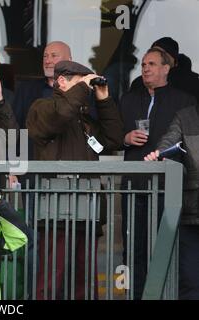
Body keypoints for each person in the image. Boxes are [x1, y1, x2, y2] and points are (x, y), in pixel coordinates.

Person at [26, 61, 124, 299]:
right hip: (54, 212)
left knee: (84, 282)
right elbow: (61, 115)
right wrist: (83, 87)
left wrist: (103, 100)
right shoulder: (42, 108)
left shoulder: (85, 122)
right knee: (50, 281)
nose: (87, 88)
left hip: (86, 210)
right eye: (81, 82)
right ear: (61, 81)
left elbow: (114, 139)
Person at [119, 47, 196, 299]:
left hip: (168, 188)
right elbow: (107, 137)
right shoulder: (129, 99)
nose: (145, 68)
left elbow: (185, 146)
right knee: (133, 250)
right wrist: (125, 138)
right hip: (134, 185)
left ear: (166, 68)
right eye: (142, 64)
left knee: (165, 249)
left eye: (151, 64)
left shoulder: (183, 101)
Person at [144, 104, 199, 299]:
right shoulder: (186, 116)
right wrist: (158, 154)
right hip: (193, 214)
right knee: (192, 281)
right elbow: (168, 142)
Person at [130, 37, 199, 104]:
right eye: (153, 52)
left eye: (163, 54)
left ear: (175, 62)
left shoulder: (191, 83)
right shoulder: (139, 83)